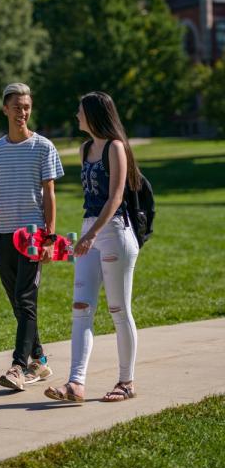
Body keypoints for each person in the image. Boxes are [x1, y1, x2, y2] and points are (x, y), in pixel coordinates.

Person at [45, 91, 140, 404]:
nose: (76, 115)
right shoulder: (85, 148)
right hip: (90, 229)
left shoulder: (116, 148)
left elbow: (115, 198)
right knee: (80, 308)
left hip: (114, 232)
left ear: (94, 114)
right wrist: (86, 234)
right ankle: (75, 384)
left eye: (80, 110)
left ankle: (126, 382)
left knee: (118, 310)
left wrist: (91, 235)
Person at [0, 82, 64, 391]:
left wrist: (50, 238)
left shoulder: (43, 147)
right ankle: (39, 360)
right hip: (2, 234)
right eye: (17, 107)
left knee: (25, 298)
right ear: (5, 109)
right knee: (18, 301)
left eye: (26, 107)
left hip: (33, 233)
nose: (22, 112)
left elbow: (50, 196)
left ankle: (17, 367)